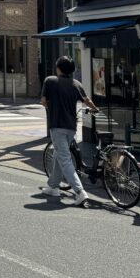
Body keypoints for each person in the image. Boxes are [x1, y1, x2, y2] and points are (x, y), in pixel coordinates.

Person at [40, 56, 99, 206]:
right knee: (58, 156)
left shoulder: (50, 81)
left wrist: (50, 107)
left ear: (58, 68)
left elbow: (43, 102)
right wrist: (95, 109)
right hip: (72, 127)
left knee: (64, 158)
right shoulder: (76, 84)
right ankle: (53, 186)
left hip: (57, 125)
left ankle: (80, 192)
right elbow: (87, 100)